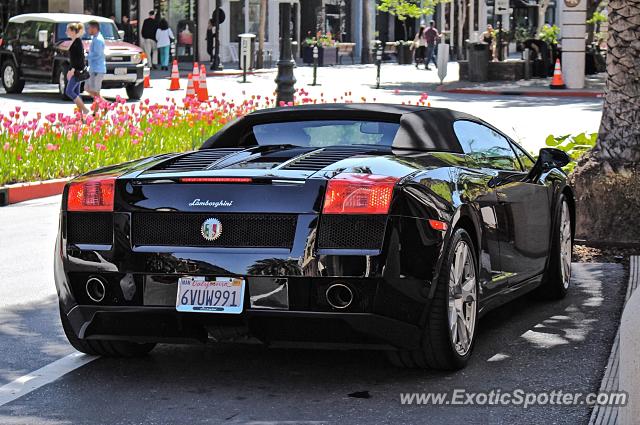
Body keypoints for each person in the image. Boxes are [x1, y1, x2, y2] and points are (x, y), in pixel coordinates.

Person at [64, 22, 90, 117]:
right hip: (75, 70)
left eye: (68, 30)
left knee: (69, 91)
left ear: (73, 31)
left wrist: (73, 70)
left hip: (77, 71)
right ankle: (80, 116)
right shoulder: (75, 41)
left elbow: (79, 58)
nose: (66, 32)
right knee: (76, 93)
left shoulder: (77, 42)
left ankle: (85, 109)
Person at [86, 20, 106, 108]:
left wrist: (87, 56)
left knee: (95, 91)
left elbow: (97, 54)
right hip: (94, 68)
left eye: (89, 28)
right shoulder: (95, 38)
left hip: (97, 69)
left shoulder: (98, 40)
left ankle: (97, 111)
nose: (88, 30)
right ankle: (105, 104)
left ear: (94, 28)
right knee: (88, 89)